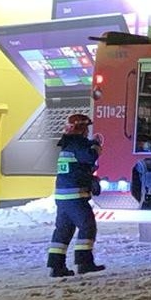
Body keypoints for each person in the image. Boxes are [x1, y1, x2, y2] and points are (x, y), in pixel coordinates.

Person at [47, 113, 104, 277]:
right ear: (82, 129)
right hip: (75, 196)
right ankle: (84, 263)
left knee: (63, 231)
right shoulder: (79, 144)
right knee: (87, 226)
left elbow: (77, 168)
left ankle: (56, 267)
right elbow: (90, 157)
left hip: (63, 197)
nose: (87, 131)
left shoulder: (67, 144)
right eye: (86, 128)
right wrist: (95, 147)